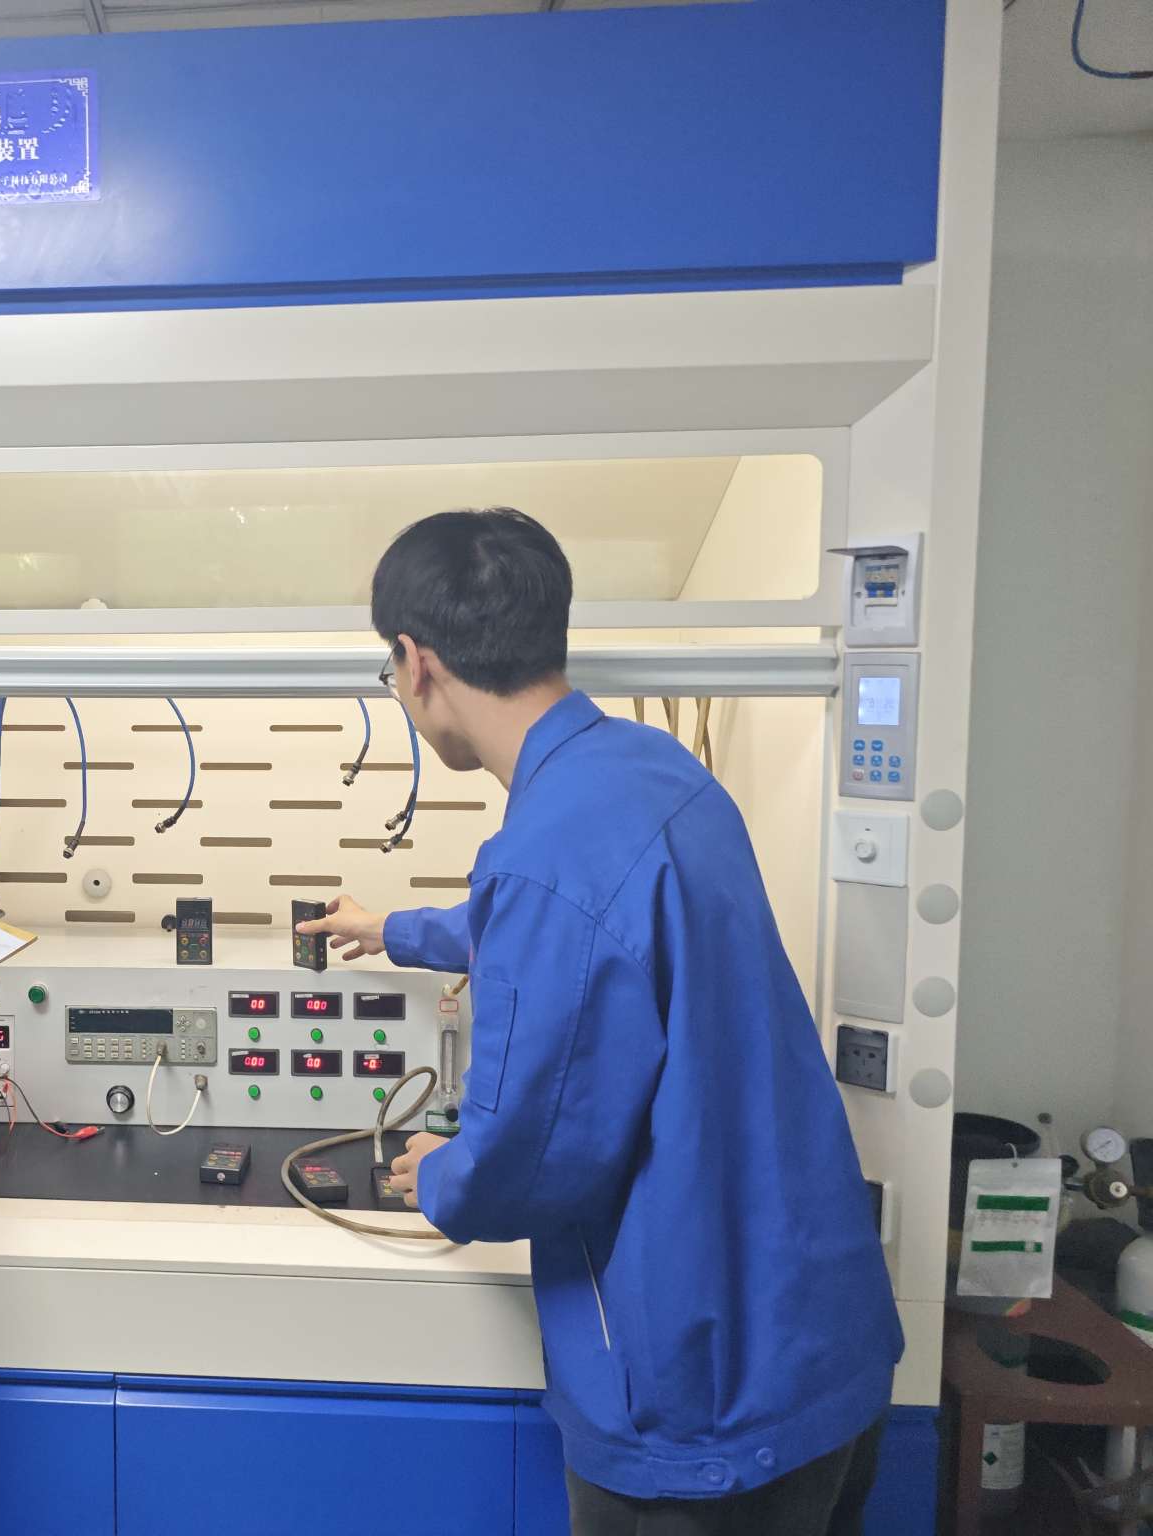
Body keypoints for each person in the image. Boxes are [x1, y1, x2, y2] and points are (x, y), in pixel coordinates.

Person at [299, 509, 901, 1536]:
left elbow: (526, 1165)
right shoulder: (653, 771)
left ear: (414, 660)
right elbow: (585, 926)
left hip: (702, 1412)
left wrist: (437, 1172)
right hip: (821, 1351)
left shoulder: (545, 853)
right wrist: (389, 929)